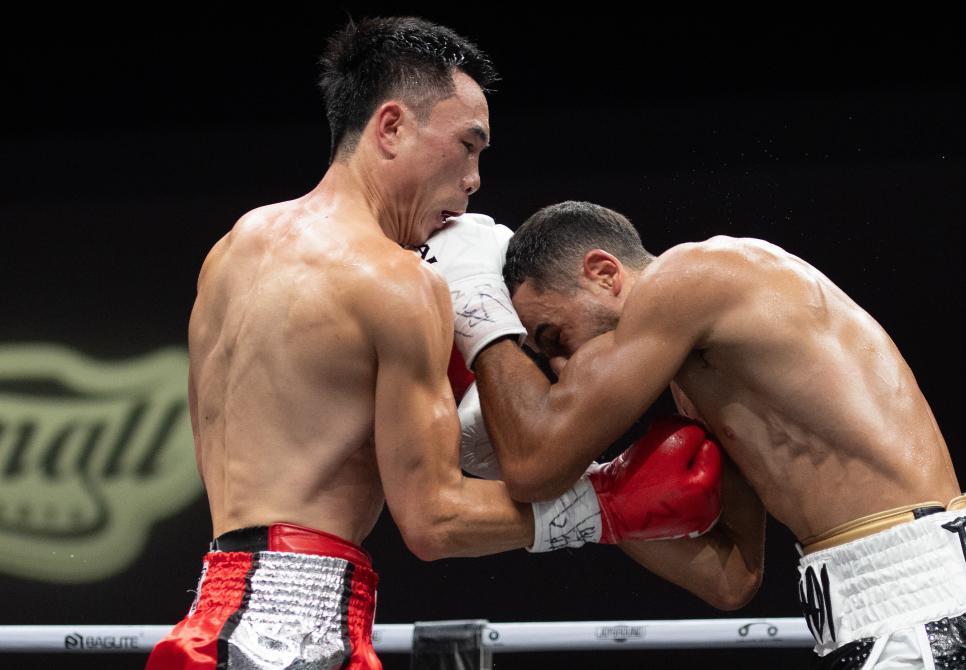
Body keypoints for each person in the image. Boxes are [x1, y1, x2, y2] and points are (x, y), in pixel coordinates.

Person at [145, 21, 722, 670]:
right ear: (391, 127)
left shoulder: (232, 251)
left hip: (212, 618)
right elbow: (434, 521)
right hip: (298, 638)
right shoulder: (397, 282)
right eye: (467, 146)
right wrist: (606, 502)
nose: (473, 180)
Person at [428, 201, 966, 669]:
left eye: (555, 337)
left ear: (604, 273)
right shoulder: (702, 384)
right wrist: (599, 494)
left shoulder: (693, 275)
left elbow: (533, 465)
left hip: (916, 608)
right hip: (887, 607)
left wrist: (478, 307)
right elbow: (731, 578)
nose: (561, 367)